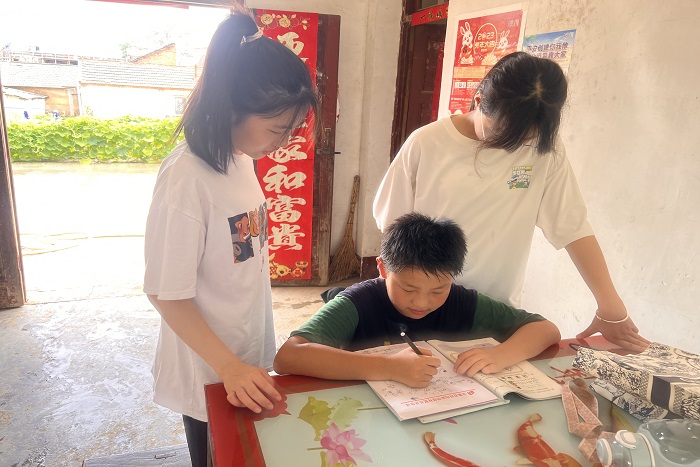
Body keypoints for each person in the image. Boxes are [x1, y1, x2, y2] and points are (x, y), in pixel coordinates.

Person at [372, 52, 649, 353]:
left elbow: (573, 226)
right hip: (424, 305)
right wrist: (398, 297)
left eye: (525, 138)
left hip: (493, 313)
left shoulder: (546, 150)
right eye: (503, 134)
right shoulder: (427, 143)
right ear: (479, 100)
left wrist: (610, 307)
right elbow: (394, 231)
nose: (513, 146)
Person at [143, 12, 318, 467]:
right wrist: (228, 366)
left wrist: (243, 363)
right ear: (232, 108)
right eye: (277, 129)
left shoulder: (240, 157)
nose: (284, 142)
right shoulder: (187, 177)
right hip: (208, 367)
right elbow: (166, 292)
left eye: (291, 130)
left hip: (243, 355)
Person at [274, 213, 560, 387]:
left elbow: (545, 330)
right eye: (408, 288)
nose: (422, 302)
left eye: (438, 290)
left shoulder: (462, 302)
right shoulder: (358, 302)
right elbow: (288, 356)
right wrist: (389, 367)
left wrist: (500, 355)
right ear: (383, 269)